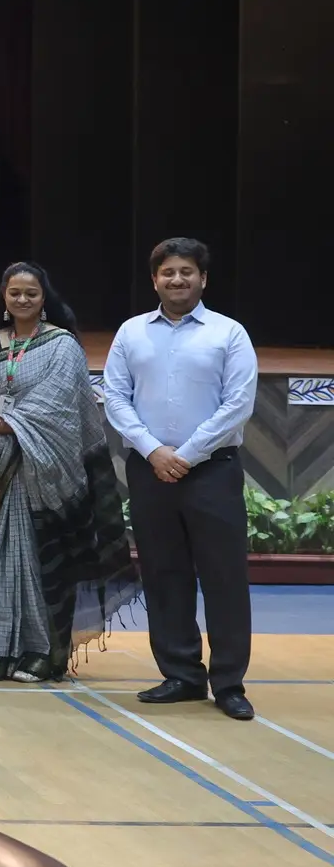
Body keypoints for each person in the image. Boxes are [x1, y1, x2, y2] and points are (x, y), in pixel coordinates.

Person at [103, 237, 258, 720]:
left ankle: (228, 683)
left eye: (186, 271)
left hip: (212, 470)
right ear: (155, 280)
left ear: (202, 279)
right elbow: (115, 397)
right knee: (164, 573)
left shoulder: (229, 333)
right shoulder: (131, 332)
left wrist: (186, 455)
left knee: (224, 577)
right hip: (150, 469)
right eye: (167, 272)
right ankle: (182, 674)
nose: (177, 279)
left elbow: (238, 404)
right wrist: (153, 450)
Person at [0, 262, 137, 683]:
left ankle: (42, 653)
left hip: (48, 470)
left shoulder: (62, 345)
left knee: (45, 562)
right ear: (3, 298)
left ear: (44, 299)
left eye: (31, 293)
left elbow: (56, 411)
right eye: (14, 292)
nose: (22, 299)